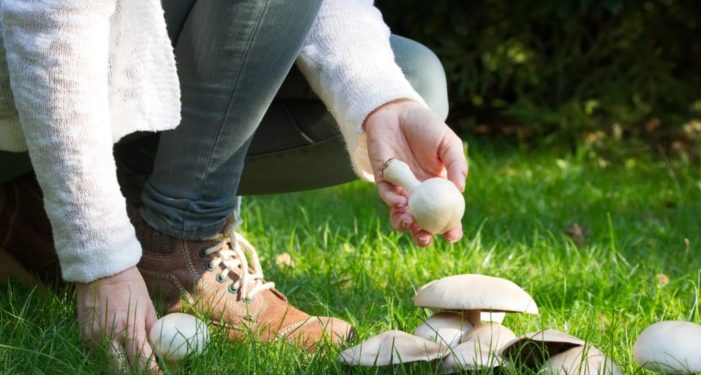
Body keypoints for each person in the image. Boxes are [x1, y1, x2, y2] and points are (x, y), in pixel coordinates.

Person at [0, 0, 468, 371]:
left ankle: (39, 206)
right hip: (27, 66)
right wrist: (98, 256)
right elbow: (47, 21)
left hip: (104, 64)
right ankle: (174, 242)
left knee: (414, 79)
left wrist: (380, 103)